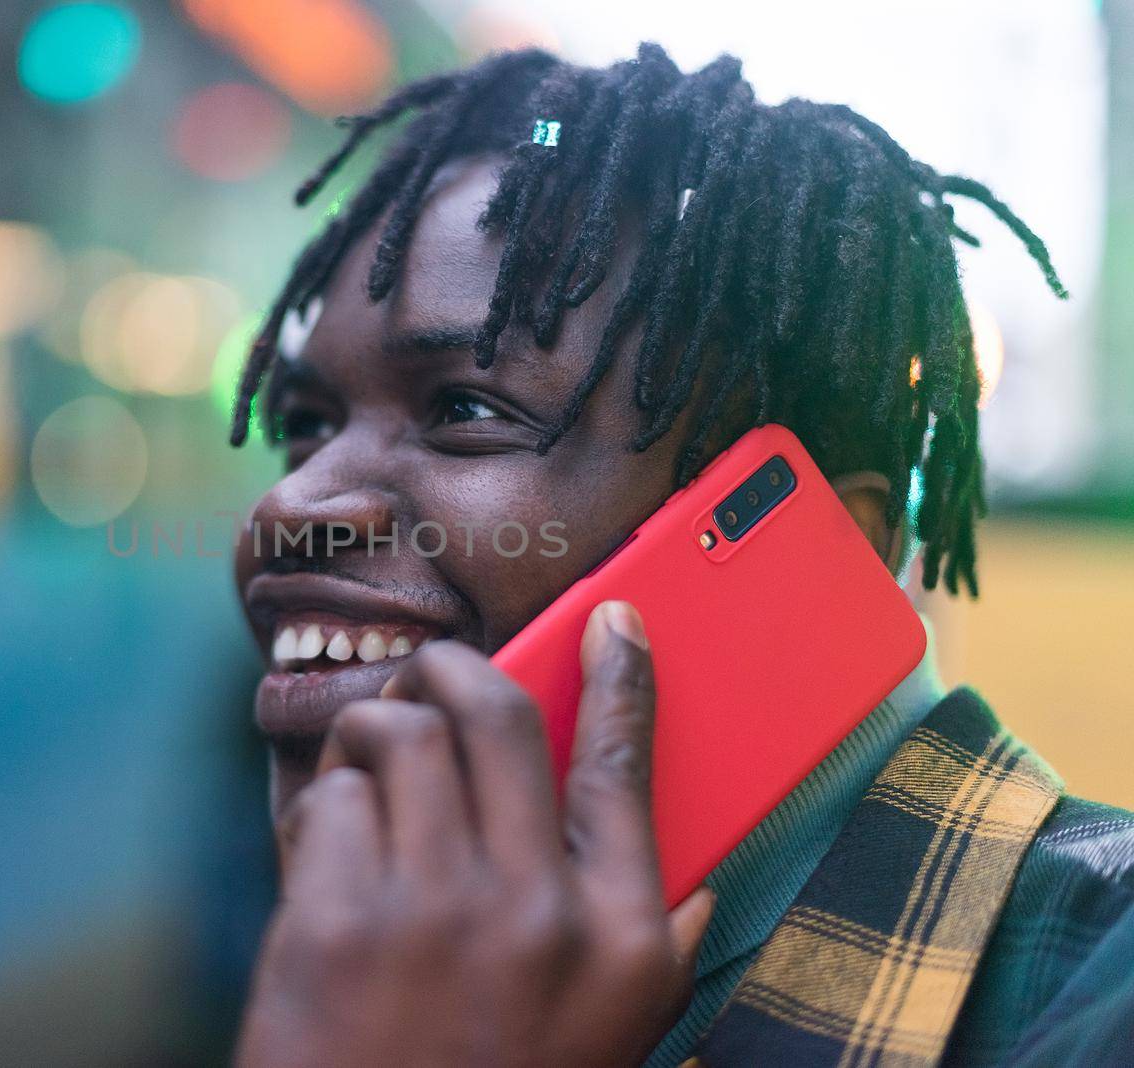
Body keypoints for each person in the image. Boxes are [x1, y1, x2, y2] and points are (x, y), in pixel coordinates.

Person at [226, 45, 1134, 1066]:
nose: (288, 504)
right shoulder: (384, 963)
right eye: (303, 422)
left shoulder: (1101, 985)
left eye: (466, 409)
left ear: (825, 551)